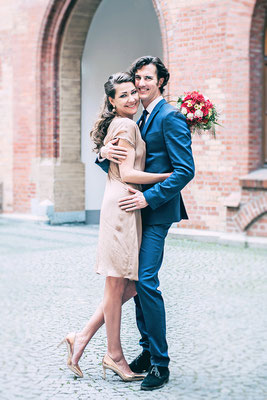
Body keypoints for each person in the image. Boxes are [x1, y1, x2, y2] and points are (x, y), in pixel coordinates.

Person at [58, 71, 171, 382]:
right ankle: (114, 355)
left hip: (122, 203)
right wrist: (166, 177)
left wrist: (103, 152)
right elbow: (130, 173)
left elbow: (118, 165)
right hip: (124, 205)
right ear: (111, 101)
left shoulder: (124, 122)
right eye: (123, 95)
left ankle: (80, 338)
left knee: (127, 285)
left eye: (133, 92)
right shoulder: (126, 123)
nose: (132, 98)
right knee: (118, 284)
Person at [98, 56, 195, 390]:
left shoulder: (170, 116)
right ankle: (146, 350)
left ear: (162, 81)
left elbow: (185, 170)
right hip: (136, 213)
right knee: (136, 282)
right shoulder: (139, 117)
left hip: (155, 211)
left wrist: (148, 198)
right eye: (137, 78)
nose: (140, 84)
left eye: (147, 78)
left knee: (147, 282)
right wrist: (102, 155)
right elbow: (124, 162)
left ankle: (160, 364)